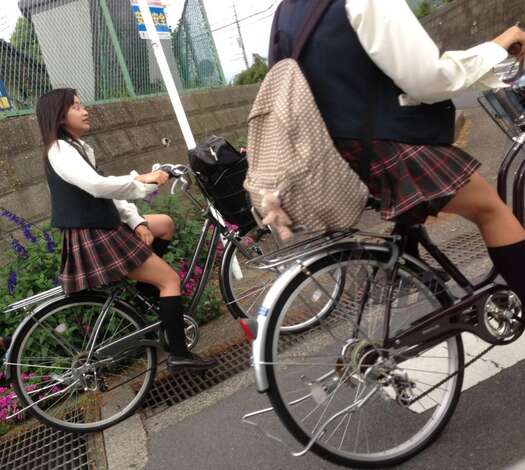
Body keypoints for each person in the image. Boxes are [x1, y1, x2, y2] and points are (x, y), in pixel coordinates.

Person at [268, 0, 525, 305]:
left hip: (334, 154)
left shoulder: (287, 11)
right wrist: (498, 46)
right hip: (377, 144)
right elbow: (429, 80)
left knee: (415, 202)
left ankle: (410, 266)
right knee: (491, 210)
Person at [35, 88, 217, 372]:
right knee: (170, 280)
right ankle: (180, 355)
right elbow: (98, 187)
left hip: (102, 225)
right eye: (76, 107)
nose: (85, 111)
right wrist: (143, 181)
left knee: (164, 224)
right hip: (95, 235)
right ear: (59, 117)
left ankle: (148, 296)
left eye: (82, 105)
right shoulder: (59, 151)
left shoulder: (75, 147)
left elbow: (107, 191)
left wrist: (137, 221)